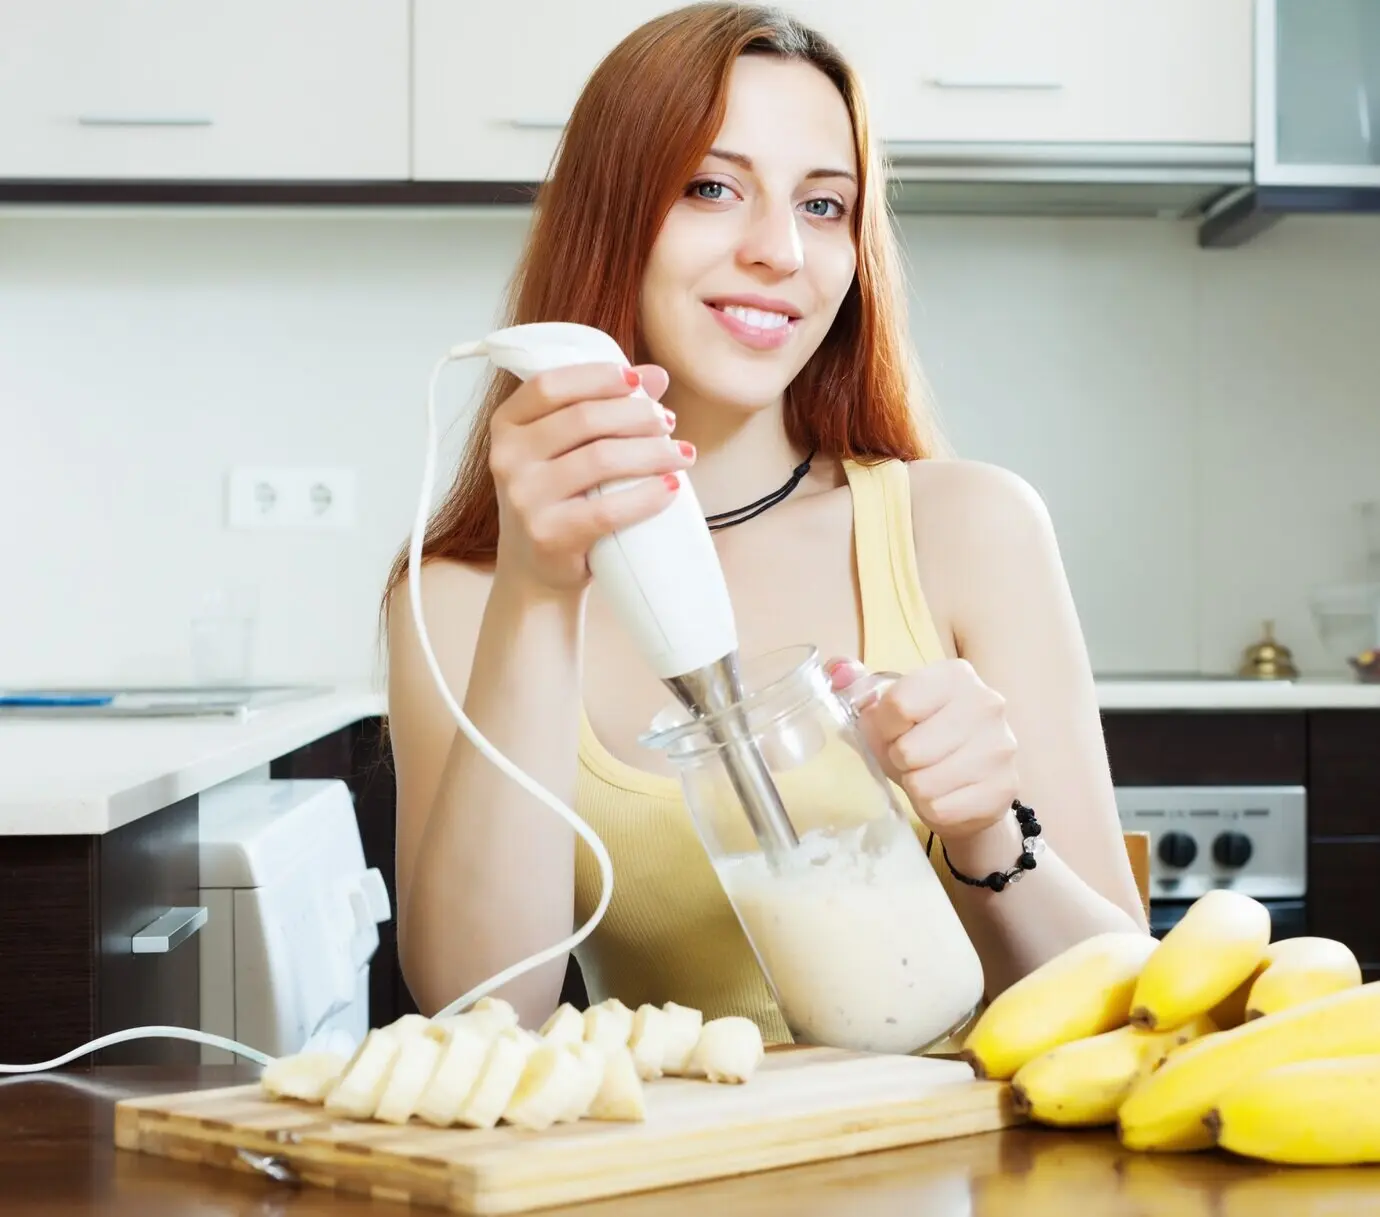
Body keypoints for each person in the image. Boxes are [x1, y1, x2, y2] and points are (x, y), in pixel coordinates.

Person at [381, 1, 1148, 1041]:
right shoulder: (460, 598)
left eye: (824, 206)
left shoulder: (971, 529)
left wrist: (984, 829)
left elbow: (1124, 1000)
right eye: (711, 187)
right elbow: (482, 1010)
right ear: (610, 215)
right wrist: (538, 588)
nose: (782, 250)